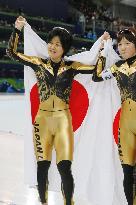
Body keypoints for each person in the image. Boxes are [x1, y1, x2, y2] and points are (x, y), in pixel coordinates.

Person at [7, 16, 97, 205]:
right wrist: (17, 30)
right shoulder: (38, 63)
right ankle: (43, 202)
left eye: (57, 44)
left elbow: (96, 71)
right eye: (50, 42)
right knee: (42, 166)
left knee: (64, 167)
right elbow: (12, 53)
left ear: (64, 48)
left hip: (64, 121)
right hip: (42, 122)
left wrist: (102, 48)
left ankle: (68, 202)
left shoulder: (72, 67)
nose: (52, 46)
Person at [92, 28, 136, 205]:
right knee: (128, 172)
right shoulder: (117, 67)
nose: (122, 47)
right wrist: (103, 50)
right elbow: (97, 77)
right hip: (125, 124)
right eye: (119, 44)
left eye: (127, 43)